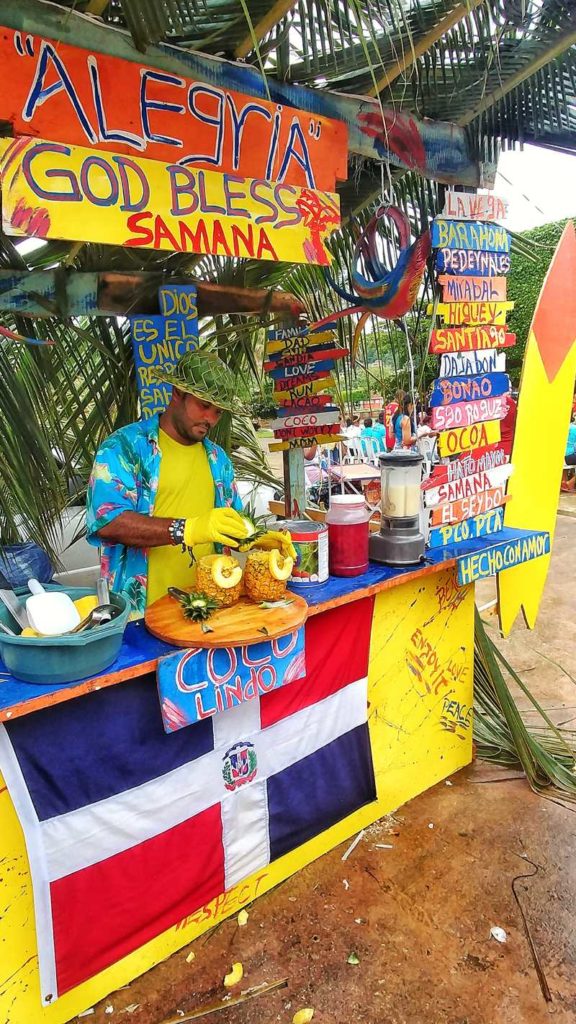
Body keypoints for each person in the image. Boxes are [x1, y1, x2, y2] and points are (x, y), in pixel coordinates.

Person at [87, 350, 293, 615]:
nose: (210, 418)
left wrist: (258, 540)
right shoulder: (124, 447)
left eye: (217, 411)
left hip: (209, 605)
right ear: (177, 393)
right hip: (139, 613)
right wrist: (187, 529)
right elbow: (108, 522)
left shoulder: (218, 459)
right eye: (203, 405)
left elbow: (230, 525)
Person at [561, 413, 576, 493]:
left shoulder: (560, 428)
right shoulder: (574, 428)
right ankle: (570, 483)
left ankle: (564, 481)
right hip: (569, 456)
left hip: (561, 455)